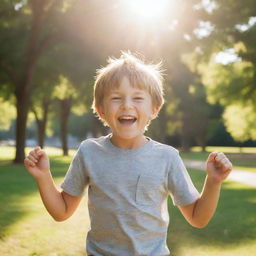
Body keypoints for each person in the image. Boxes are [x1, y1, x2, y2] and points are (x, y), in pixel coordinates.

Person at [24, 52, 232, 256]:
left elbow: (198, 218)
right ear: (101, 109)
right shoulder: (89, 152)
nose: (126, 105)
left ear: (154, 108)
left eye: (138, 97)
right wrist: (43, 177)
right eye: (116, 98)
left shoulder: (167, 157)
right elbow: (62, 212)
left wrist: (213, 181)